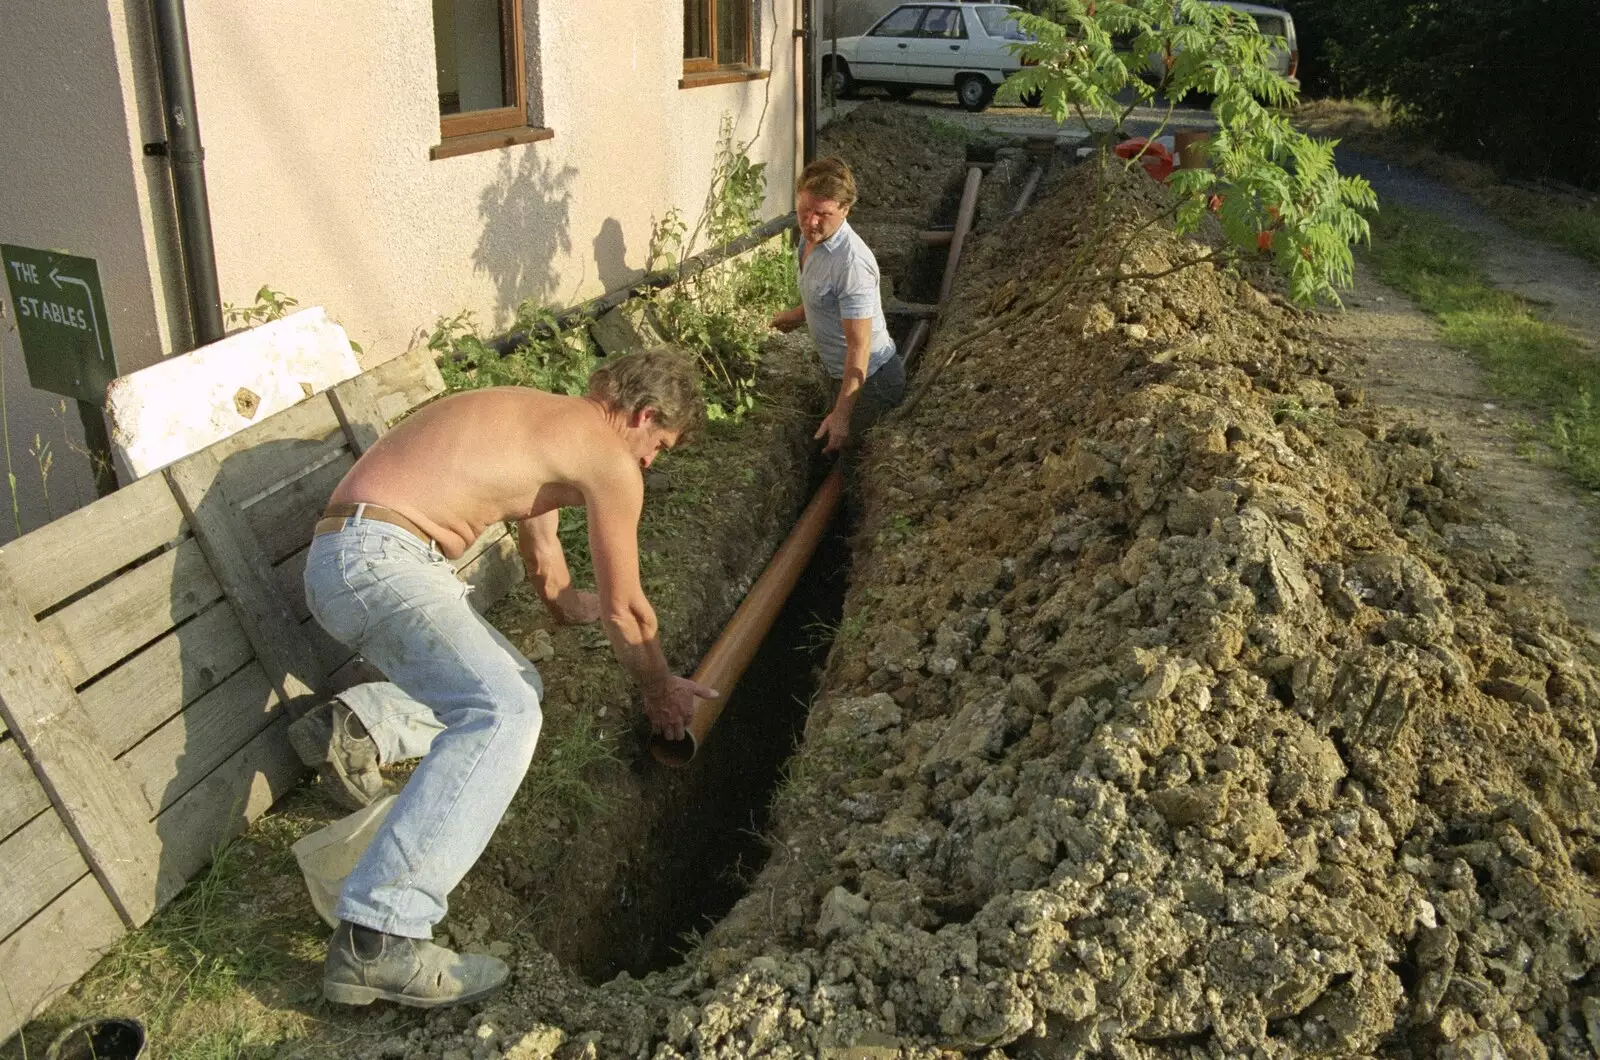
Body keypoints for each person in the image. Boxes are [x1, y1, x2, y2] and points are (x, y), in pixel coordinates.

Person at [287, 347, 718, 1008]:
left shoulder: (543, 424)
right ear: (642, 414)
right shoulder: (607, 455)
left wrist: (571, 604)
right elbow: (630, 610)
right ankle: (379, 934)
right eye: (658, 445)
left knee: (515, 685)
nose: (650, 463)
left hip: (348, 556)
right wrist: (660, 690)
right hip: (385, 560)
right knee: (506, 711)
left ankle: (362, 725)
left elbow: (546, 563)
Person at [768, 156, 905, 459]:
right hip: (840, 374)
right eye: (804, 210)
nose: (810, 221)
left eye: (822, 213)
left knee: (853, 459)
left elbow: (860, 347)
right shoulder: (809, 241)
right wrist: (796, 315)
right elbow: (826, 296)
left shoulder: (851, 263)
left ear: (845, 210)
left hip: (872, 383)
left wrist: (842, 416)